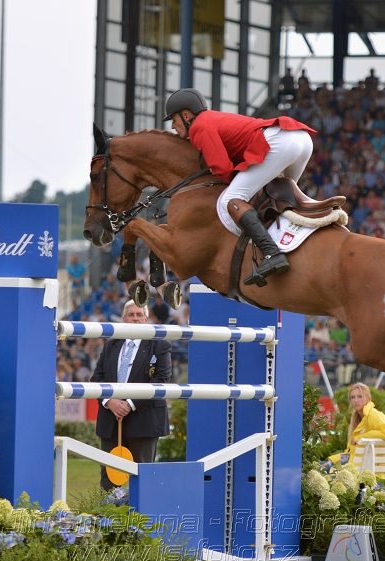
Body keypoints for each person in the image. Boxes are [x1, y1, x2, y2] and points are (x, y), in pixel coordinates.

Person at [163, 88, 316, 286]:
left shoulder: (198, 127)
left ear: (186, 115)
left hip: (279, 143)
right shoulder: (212, 118)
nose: (173, 126)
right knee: (280, 197)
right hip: (301, 139)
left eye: (173, 119)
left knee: (230, 200)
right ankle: (291, 241)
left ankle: (271, 254)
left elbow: (222, 167)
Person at [91, 300, 171, 490]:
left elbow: (161, 380)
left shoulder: (160, 345)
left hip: (144, 420)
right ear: (124, 318)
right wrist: (110, 401)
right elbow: (97, 378)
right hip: (111, 420)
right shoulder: (111, 345)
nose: (135, 319)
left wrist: (129, 404)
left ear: (146, 319)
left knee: (142, 479)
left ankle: (140, 519)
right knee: (110, 479)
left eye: (139, 315)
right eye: (131, 315)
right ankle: (109, 518)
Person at [328, 383, 385, 465]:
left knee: (319, 470)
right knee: (322, 466)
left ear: (369, 399)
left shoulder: (374, 415)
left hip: (368, 468)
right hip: (357, 464)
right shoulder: (357, 419)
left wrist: (360, 438)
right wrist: (332, 461)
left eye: (360, 396)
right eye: (352, 397)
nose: (356, 400)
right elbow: (351, 454)